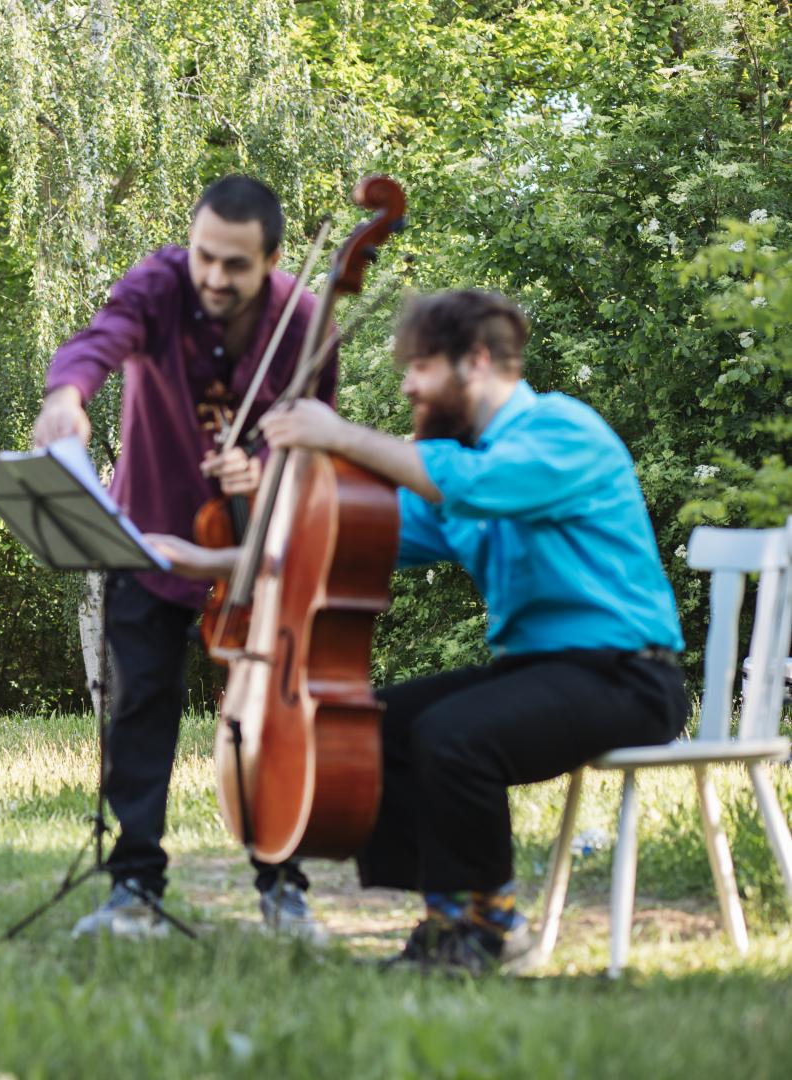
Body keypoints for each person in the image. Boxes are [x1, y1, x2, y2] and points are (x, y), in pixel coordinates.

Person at [149, 289, 688, 972]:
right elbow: (335, 541)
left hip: (628, 677)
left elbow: (475, 484)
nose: (406, 384)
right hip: (541, 672)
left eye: (420, 367)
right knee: (376, 725)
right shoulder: (457, 466)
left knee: (453, 735)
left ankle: (490, 929)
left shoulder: (561, 432)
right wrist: (221, 557)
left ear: (478, 362)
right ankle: (448, 916)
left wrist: (340, 435)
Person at [33, 174, 338, 940]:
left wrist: (265, 470)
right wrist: (67, 396)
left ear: (270, 260)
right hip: (153, 532)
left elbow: (318, 438)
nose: (213, 277)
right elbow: (97, 344)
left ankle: (283, 884)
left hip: (256, 546)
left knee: (272, 715)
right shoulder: (160, 281)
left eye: (234, 265)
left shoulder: (305, 322)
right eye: (205, 256)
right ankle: (134, 887)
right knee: (139, 708)